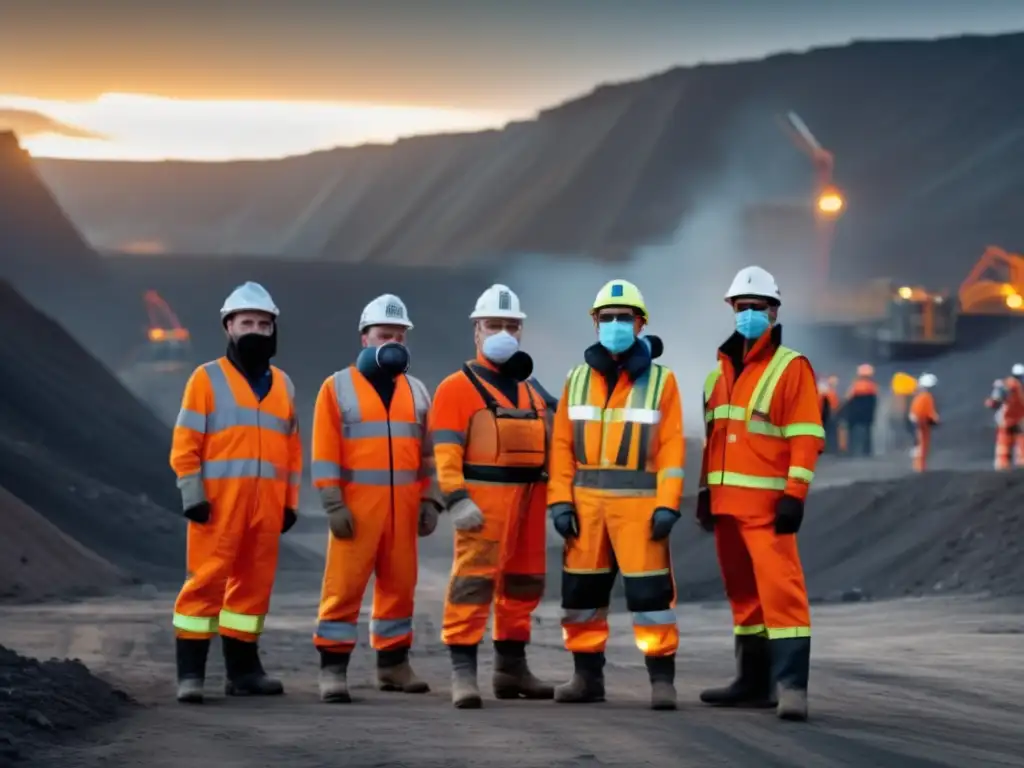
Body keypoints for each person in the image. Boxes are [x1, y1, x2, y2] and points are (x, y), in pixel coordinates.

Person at [547, 279, 685, 711]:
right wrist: (560, 501)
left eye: (623, 318)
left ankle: (662, 681)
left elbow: (672, 448)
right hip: (586, 510)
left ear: (641, 324)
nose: (615, 325)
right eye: (606, 318)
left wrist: (667, 504)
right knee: (581, 597)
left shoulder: (663, 381)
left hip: (641, 510)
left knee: (651, 598)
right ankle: (586, 678)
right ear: (595, 324)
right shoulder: (576, 379)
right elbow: (563, 446)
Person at [696, 265, 824, 722]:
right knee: (745, 598)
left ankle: (791, 688)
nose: (749, 314)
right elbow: (714, 439)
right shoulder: (717, 375)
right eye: (742, 307)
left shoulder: (791, 368)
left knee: (781, 593)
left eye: (758, 308)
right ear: (731, 309)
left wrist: (795, 494)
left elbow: (806, 436)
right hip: (728, 508)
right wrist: (704, 491)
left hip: (769, 509)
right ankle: (753, 684)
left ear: (773, 311)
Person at [170, 281, 302, 704]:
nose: (256, 330)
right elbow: (186, 442)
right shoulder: (206, 378)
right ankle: (191, 675)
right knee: (205, 584)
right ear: (229, 326)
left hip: (265, 508)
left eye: (264, 324)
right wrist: (192, 493)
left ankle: (243, 673)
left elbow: (292, 452)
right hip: (217, 507)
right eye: (247, 322)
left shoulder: (283, 385)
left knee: (252, 589)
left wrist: (289, 504)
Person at [428, 284, 555, 709]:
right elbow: (444, 451)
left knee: (523, 584)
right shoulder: (455, 388)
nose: (503, 332)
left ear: (521, 332)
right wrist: (456, 498)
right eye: (493, 325)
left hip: (530, 499)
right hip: (483, 503)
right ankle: (464, 673)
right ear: (476, 331)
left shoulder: (533, 391)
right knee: (473, 583)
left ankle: (510, 669)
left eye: (511, 326)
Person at [310, 294, 440, 703]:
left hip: (403, 510)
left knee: (400, 588)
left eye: (400, 336)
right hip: (356, 510)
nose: (394, 342)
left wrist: (430, 501)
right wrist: (332, 503)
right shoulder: (336, 388)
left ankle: (393, 667)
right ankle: (333, 671)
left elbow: (429, 455)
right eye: (385, 334)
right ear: (365, 337)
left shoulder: (417, 391)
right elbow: (325, 450)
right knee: (343, 589)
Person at [985, 366, 1024, 470]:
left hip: (1011, 419)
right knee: (1014, 440)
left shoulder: (1008, 384)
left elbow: (996, 399)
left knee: (1007, 441)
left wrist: (992, 402)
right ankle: (1011, 463)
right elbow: (997, 398)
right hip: (1013, 419)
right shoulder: (1012, 385)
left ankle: (1004, 464)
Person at [843, 364, 877, 456]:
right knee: (867, 431)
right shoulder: (872, 386)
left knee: (852, 431)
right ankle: (867, 451)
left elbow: (848, 399)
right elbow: (874, 402)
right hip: (866, 413)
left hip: (855, 412)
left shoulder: (855, 386)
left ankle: (851, 450)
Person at [909, 373, 939, 472]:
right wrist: (934, 419)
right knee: (922, 445)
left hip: (918, 422)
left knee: (919, 445)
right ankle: (919, 467)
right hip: (922, 422)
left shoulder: (919, 396)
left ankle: (919, 466)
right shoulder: (925, 397)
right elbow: (927, 411)